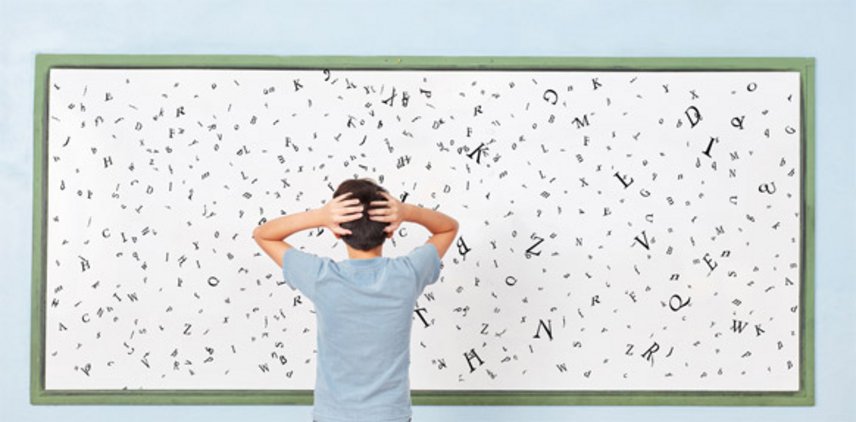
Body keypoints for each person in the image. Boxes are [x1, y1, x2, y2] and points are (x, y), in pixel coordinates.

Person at [252, 178, 459, 422]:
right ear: (391, 230)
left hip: (333, 416)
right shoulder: (407, 274)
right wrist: (407, 211)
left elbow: (263, 235)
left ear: (337, 232)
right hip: (390, 415)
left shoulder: (321, 277)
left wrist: (320, 216)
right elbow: (448, 228)